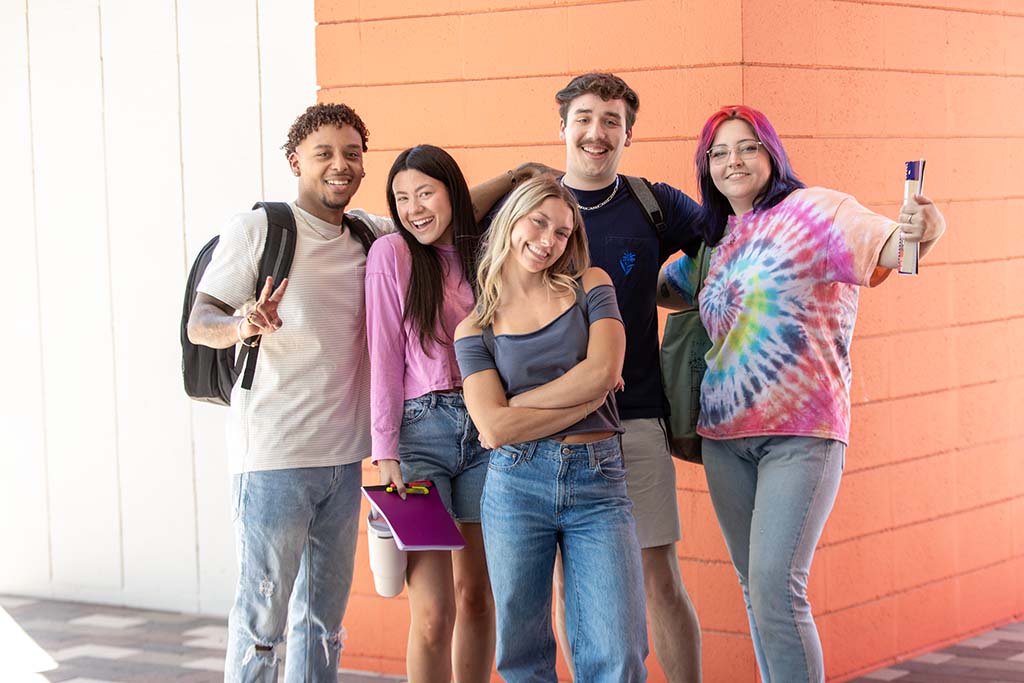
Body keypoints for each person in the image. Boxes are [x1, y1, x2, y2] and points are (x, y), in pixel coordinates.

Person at [658, 104, 946, 683]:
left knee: (775, 587)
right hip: (722, 438)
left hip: (803, 434)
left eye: (747, 147)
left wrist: (926, 226)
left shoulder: (817, 211)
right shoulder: (715, 243)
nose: (733, 160)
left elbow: (898, 248)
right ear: (706, 167)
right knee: (756, 590)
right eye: (719, 152)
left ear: (771, 153)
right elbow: (658, 288)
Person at [187, 103, 393, 682]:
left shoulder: (367, 233)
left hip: (343, 460)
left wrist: (517, 177)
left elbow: (438, 207)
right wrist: (242, 325)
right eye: (324, 152)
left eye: (351, 153)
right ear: (294, 159)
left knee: (322, 627)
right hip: (274, 459)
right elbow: (200, 321)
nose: (340, 165)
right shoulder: (260, 228)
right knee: (262, 628)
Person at [454, 176, 647, 682]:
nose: (548, 240)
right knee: (522, 654)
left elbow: (604, 372)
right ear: (511, 220)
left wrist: (519, 405)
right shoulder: (474, 328)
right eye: (538, 222)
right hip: (516, 484)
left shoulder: (592, 284)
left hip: (598, 480)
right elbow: (492, 428)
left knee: (620, 650)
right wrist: (587, 394)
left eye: (562, 232)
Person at [550, 72, 704, 681]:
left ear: (628, 134)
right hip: (551, 427)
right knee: (574, 582)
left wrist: (676, 290)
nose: (597, 132)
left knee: (658, 575)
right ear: (561, 126)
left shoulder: (651, 202)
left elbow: (733, 241)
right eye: (584, 118)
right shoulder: (532, 206)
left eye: (612, 121)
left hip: (636, 418)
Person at [365, 145, 494, 682]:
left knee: (479, 598)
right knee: (434, 613)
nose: (414, 207)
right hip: (419, 440)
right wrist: (385, 450)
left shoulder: (483, 250)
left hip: (487, 431)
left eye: (425, 193)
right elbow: (383, 356)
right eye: (401, 197)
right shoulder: (390, 254)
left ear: (451, 192)